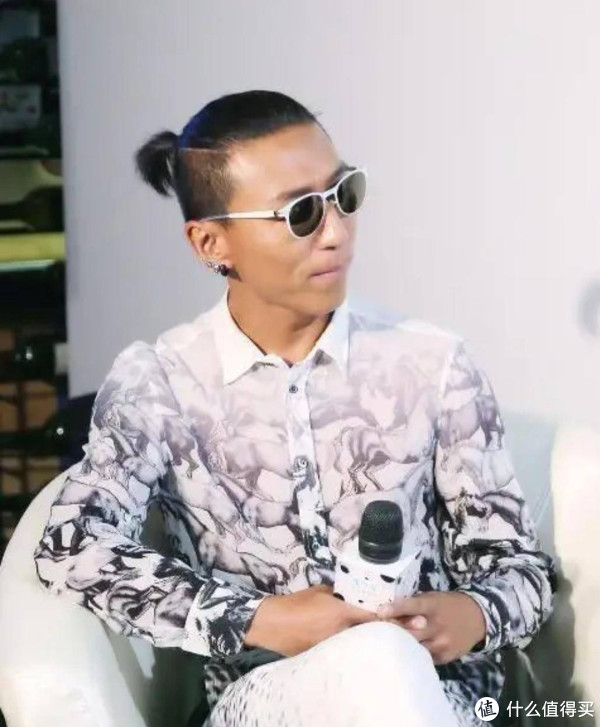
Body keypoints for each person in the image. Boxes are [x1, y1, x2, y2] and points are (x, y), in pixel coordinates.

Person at [33, 90, 557, 727]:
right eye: (301, 213)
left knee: (385, 663)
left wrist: (472, 614)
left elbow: (522, 571)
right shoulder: (161, 382)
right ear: (210, 243)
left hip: (444, 695)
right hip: (264, 700)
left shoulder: (432, 363)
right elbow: (71, 546)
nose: (336, 232)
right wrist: (259, 618)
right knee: (375, 663)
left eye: (344, 195)